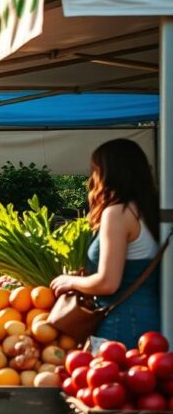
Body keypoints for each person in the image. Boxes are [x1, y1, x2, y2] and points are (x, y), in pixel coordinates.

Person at [50, 139, 163, 348]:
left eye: (95, 170)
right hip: (149, 321)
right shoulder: (148, 210)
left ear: (107, 172)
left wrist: (69, 281)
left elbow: (108, 282)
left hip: (121, 324)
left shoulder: (118, 213)